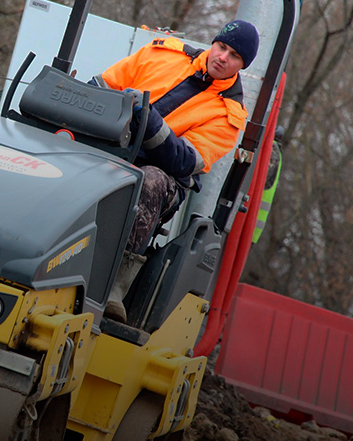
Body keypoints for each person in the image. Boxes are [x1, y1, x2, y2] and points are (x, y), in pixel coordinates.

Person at [91, 19, 259, 323]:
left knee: (150, 181)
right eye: (221, 47)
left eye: (234, 55)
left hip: (162, 175)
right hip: (111, 148)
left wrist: (150, 121)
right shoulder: (162, 54)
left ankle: (113, 286)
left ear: (242, 65)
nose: (223, 57)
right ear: (214, 43)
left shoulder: (228, 115)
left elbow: (186, 161)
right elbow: (103, 86)